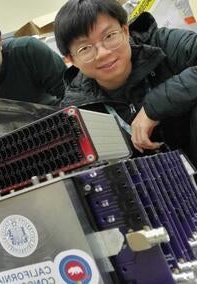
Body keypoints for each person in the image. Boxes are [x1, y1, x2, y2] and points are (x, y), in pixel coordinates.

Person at [54, 0, 197, 164]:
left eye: (109, 36)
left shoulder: (163, 43)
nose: (103, 53)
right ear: (71, 60)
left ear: (125, 30)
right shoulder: (76, 110)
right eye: (85, 48)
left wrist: (155, 106)